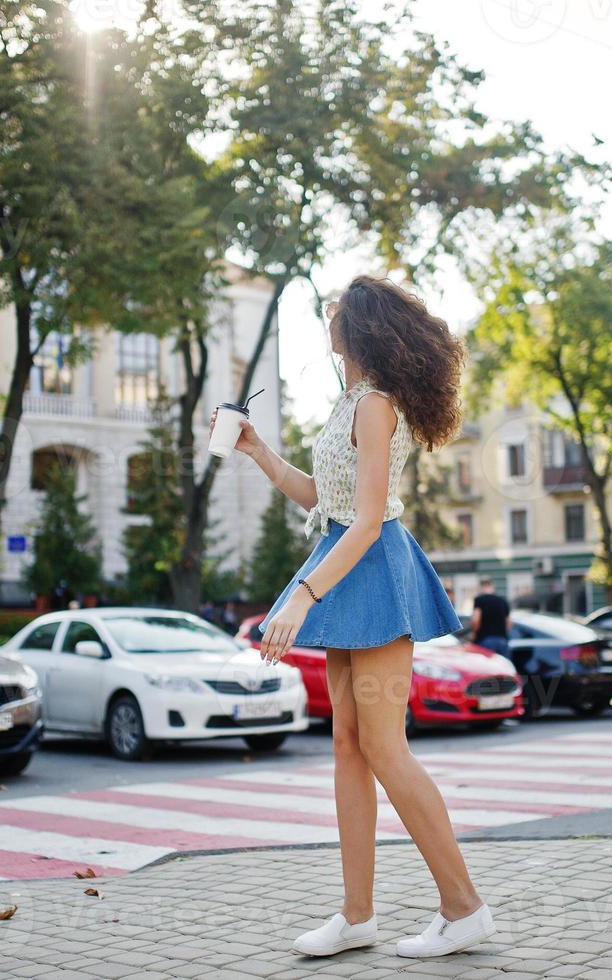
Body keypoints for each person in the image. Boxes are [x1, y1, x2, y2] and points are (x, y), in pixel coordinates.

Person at [213, 276, 493, 959]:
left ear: (362, 328)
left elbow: (367, 521)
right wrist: (256, 451)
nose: (329, 320)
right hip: (345, 561)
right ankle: (356, 916)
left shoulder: (375, 406)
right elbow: (326, 499)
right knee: (347, 747)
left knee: (384, 748)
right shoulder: (348, 403)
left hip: (370, 570)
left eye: (338, 313)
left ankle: (465, 911)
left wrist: (302, 593)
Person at [470, 579, 511, 658]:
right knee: (504, 667)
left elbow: (476, 620)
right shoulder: (503, 601)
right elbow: (509, 623)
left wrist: (474, 634)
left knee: (487, 668)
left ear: (481, 587)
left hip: (485, 640)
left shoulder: (479, 600)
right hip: (502, 640)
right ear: (492, 587)